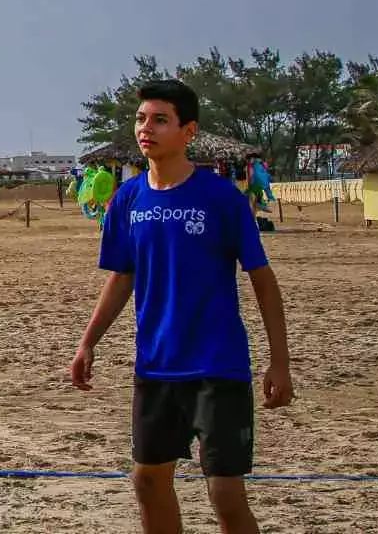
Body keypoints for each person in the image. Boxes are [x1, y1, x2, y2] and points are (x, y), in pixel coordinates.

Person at [69, 79, 294, 534]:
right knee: (148, 483)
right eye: (140, 119)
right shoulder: (127, 201)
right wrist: (88, 342)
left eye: (159, 120)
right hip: (155, 368)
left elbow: (263, 282)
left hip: (218, 367)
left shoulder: (221, 198)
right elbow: (122, 276)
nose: (145, 129)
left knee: (226, 494)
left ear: (188, 131)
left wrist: (280, 363)